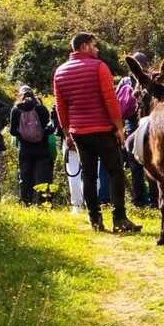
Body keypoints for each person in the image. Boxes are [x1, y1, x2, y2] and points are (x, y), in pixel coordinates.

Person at [53, 32, 141, 233]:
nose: (97, 49)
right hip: (103, 130)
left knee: (89, 176)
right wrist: (119, 128)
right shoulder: (99, 67)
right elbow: (110, 100)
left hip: (79, 132)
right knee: (115, 172)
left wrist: (67, 133)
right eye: (94, 45)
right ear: (84, 46)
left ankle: (95, 219)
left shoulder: (60, 72)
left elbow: (61, 106)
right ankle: (119, 218)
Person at [121, 52, 156, 208]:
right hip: (150, 126)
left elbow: (118, 105)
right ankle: (155, 200)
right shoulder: (153, 79)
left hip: (132, 126)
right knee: (153, 164)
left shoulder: (125, 81)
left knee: (136, 166)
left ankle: (139, 201)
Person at [9, 85, 54, 204]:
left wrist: (23, 135)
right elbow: (49, 129)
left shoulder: (16, 109)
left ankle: (25, 202)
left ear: (20, 95)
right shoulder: (40, 108)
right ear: (33, 94)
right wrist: (41, 134)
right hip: (42, 148)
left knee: (25, 176)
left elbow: (12, 131)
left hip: (24, 149)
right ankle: (44, 202)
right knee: (43, 177)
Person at [51, 104, 84, 214]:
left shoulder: (59, 104)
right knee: (91, 173)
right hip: (88, 139)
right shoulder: (86, 98)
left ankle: (77, 205)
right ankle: (91, 202)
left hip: (68, 141)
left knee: (73, 174)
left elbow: (56, 125)